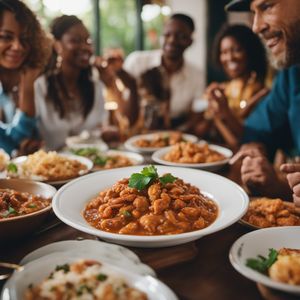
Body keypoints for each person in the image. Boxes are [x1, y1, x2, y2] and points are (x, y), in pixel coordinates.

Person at [224, 0, 300, 201]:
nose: (256, 27)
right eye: (253, 12)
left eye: (267, 6)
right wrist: (255, 149)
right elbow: (259, 128)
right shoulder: (292, 73)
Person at [34, 15, 107, 150]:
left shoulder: (96, 87)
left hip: (96, 163)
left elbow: (100, 130)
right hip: (54, 166)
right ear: (57, 45)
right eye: (75, 41)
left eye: (88, 41)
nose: (85, 47)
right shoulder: (40, 87)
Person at [123, 13, 204, 131]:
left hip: (176, 133)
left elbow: (196, 114)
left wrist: (176, 135)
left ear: (190, 41)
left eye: (181, 36)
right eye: (167, 35)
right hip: (136, 132)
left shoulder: (197, 75)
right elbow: (123, 111)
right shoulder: (137, 62)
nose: (172, 40)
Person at [195, 24, 269, 148]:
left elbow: (239, 142)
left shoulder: (262, 92)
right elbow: (199, 131)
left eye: (237, 50)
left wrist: (219, 115)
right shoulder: (224, 88)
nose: (229, 57)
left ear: (250, 51)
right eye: (224, 52)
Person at [0, 0, 50, 154]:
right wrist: (28, 88)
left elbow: (24, 140)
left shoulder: (26, 73)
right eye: (6, 37)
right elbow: (8, 146)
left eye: (24, 39)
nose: (18, 46)